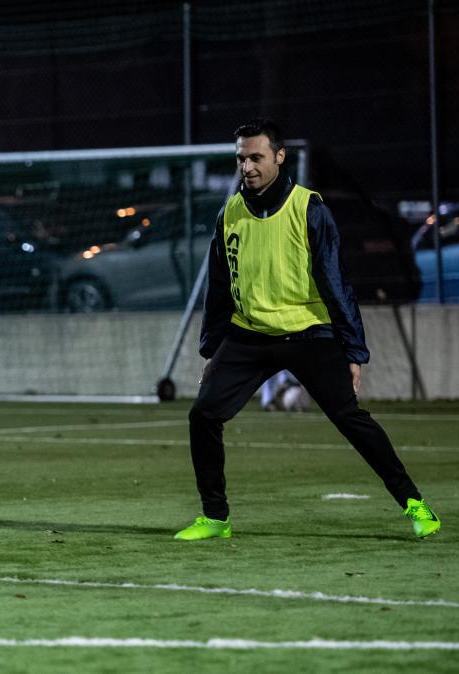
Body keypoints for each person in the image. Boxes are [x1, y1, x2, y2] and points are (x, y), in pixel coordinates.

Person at [175, 118, 440, 541]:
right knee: (202, 414)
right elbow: (221, 285)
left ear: (280, 156)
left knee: (350, 419)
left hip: (308, 334)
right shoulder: (230, 212)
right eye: (241, 158)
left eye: (256, 157)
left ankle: (414, 503)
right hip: (249, 335)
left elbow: (336, 280)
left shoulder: (309, 207)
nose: (247, 166)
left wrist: (354, 351)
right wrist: (212, 350)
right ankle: (215, 516)